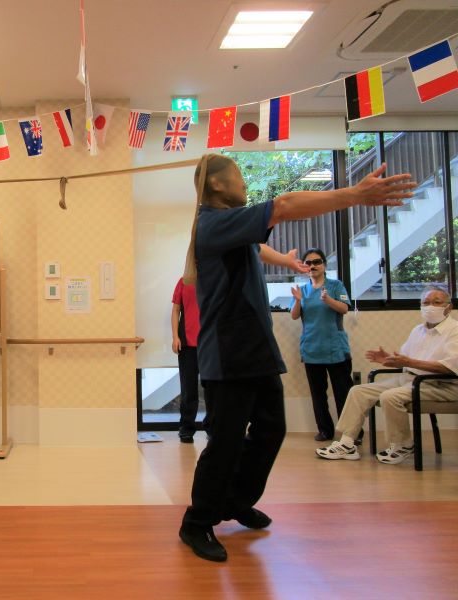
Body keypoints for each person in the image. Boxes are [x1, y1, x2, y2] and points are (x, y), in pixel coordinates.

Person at [177, 153, 415, 563]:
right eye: (238, 176)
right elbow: (284, 205)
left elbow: (256, 247)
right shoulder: (213, 222)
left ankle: (233, 501)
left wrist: (284, 261)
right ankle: (197, 523)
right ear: (216, 185)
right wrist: (355, 195)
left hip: (256, 349)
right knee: (226, 442)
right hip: (229, 353)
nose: (244, 183)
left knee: (271, 430)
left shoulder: (232, 228)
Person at [316, 286, 458, 464]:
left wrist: (409, 363)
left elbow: (450, 368)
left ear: (448, 307)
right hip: (410, 378)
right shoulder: (418, 330)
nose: (430, 306)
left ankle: (403, 445)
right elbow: (405, 360)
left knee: (389, 396)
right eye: (425, 303)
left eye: (436, 303)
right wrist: (389, 360)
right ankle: (347, 443)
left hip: (441, 384)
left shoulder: (455, 331)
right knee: (358, 391)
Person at [290, 248, 353, 442]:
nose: (312, 266)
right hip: (312, 350)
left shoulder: (335, 286)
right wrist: (298, 301)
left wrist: (328, 300)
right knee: (318, 396)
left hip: (336, 349)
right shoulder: (303, 290)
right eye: (308, 263)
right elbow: (294, 315)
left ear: (324, 265)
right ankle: (325, 430)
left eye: (316, 262)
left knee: (344, 393)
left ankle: (352, 432)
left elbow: (344, 309)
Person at [171, 277, 207, 441]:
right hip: (186, 344)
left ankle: (213, 428)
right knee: (188, 389)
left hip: (210, 343)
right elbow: (175, 310)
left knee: (212, 389)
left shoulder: (214, 278)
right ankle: (186, 427)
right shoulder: (184, 281)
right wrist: (175, 337)